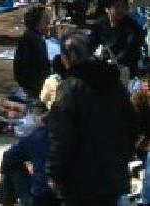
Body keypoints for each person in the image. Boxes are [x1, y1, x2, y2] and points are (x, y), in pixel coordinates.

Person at [47, 31, 135, 206]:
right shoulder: (114, 84)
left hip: (80, 182)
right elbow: (131, 125)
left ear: (66, 59)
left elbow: (61, 138)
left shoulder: (69, 90)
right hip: (112, 176)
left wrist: (54, 173)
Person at [0, 102, 59, 206]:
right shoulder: (80, 133)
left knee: (12, 163)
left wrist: (4, 181)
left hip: (42, 198)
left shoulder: (38, 136)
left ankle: (5, 195)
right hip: (75, 195)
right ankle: (5, 194)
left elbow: (9, 157)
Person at [89, 0, 146, 78]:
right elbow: (91, 44)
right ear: (107, 9)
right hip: (104, 65)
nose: (121, 10)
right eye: (117, 6)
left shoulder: (133, 27)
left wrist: (110, 63)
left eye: (123, 6)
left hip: (126, 70)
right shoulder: (100, 23)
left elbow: (128, 52)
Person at [13, 5, 50, 100]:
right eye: (45, 20)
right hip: (33, 86)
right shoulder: (32, 41)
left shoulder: (32, 37)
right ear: (37, 23)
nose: (48, 23)